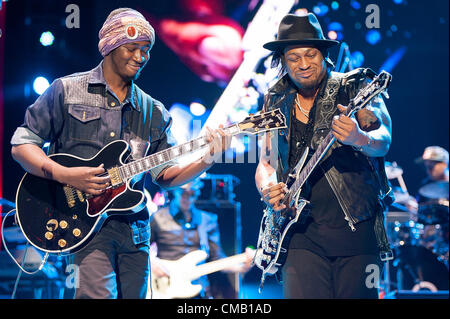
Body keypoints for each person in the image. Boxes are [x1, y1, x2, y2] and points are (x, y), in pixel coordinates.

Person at [10, 8, 230, 299]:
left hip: (135, 232)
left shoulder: (154, 111)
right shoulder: (66, 90)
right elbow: (22, 144)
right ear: (111, 46)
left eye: (146, 50)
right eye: (132, 48)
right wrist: (66, 175)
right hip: (84, 227)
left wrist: (207, 158)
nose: (141, 57)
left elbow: (166, 175)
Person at [255, 13, 394, 299]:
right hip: (298, 233)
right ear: (282, 60)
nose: (303, 65)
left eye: (310, 55)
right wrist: (268, 187)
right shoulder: (275, 98)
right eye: (294, 57)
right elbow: (265, 162)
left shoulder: (355, 87)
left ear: (324, 55)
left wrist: (359, 138)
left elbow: (383, 141)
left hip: (356, 229)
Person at [149, 179, 253, 299]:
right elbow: (141, 252)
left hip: (198, 289)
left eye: (192, 194)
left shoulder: (207, 220)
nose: (188, 198)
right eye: (184, 193)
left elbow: (217, 258)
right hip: (164, 286)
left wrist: (242, 267)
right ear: (174, 192)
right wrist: (153, 265)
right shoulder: (157, 218)